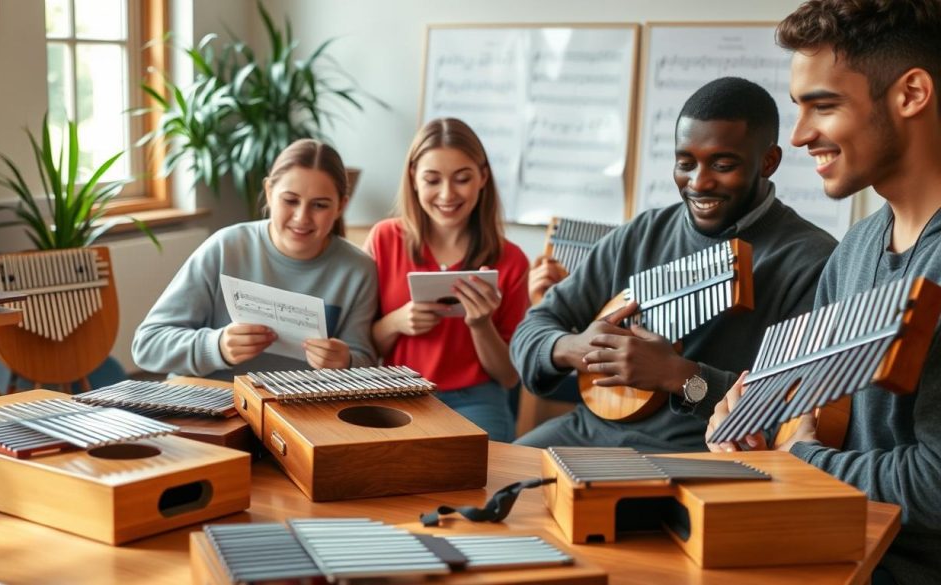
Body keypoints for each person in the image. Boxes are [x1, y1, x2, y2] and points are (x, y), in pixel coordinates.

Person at [707, 3, 941, 583]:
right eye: (799, 107)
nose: (800, 135)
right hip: (829, 538)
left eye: (824, 105)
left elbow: (934, 485)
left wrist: (801, 459)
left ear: (911, 93)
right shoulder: (856, 248)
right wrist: (751, 421)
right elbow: (806, 407)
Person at [510, 77, 837, 451]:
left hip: (693, 456)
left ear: (768, 161)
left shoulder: (811, 261)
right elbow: (530, 332)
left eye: (723, 164)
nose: (699, 183)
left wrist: (680, 376)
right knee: (485, 487)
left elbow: (793, 411)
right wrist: (576, 348)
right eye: (685, 163)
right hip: (585, 432)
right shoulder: (641, 234)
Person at [132, 139, 378, 381]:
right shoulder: (226, 247)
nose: (302, 217)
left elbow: (365, 360)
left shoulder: (358, 269)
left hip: (293, 415)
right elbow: (147, 345)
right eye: (290, 200)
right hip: (206, 403)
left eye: (320, 205)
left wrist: (345, 362)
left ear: (341, 207)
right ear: (270, 192)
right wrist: (216, 347)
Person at [365, 118, 530, 442]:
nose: (447, 194)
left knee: (484, 477)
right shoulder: (385, 239)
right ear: (413, 178)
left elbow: (509, 377)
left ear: (483, 177)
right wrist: (396, 322)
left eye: (462, 179)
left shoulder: (511, 260)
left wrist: (481, 325)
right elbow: (359, 348)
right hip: (398, 391)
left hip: (477, 399)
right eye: (432, 179)